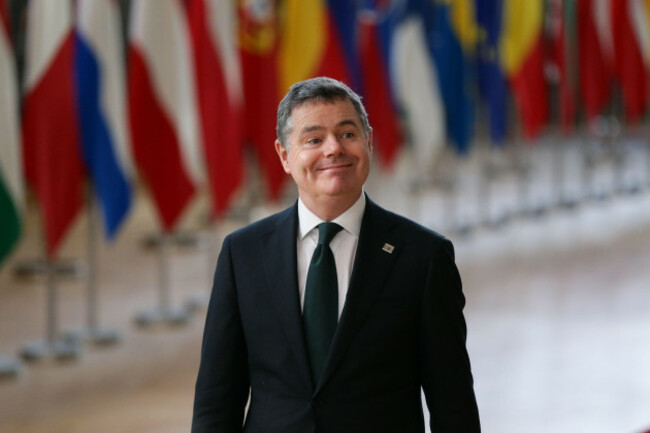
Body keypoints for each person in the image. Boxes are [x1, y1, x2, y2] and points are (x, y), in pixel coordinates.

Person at [192, 77, 480, 432]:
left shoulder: (424, 257)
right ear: (284, 155)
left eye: (347, 134)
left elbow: (453, 402)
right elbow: (216, 399)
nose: (333, 149)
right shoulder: (244, 254)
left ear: (368, 142)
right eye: (313, 139)